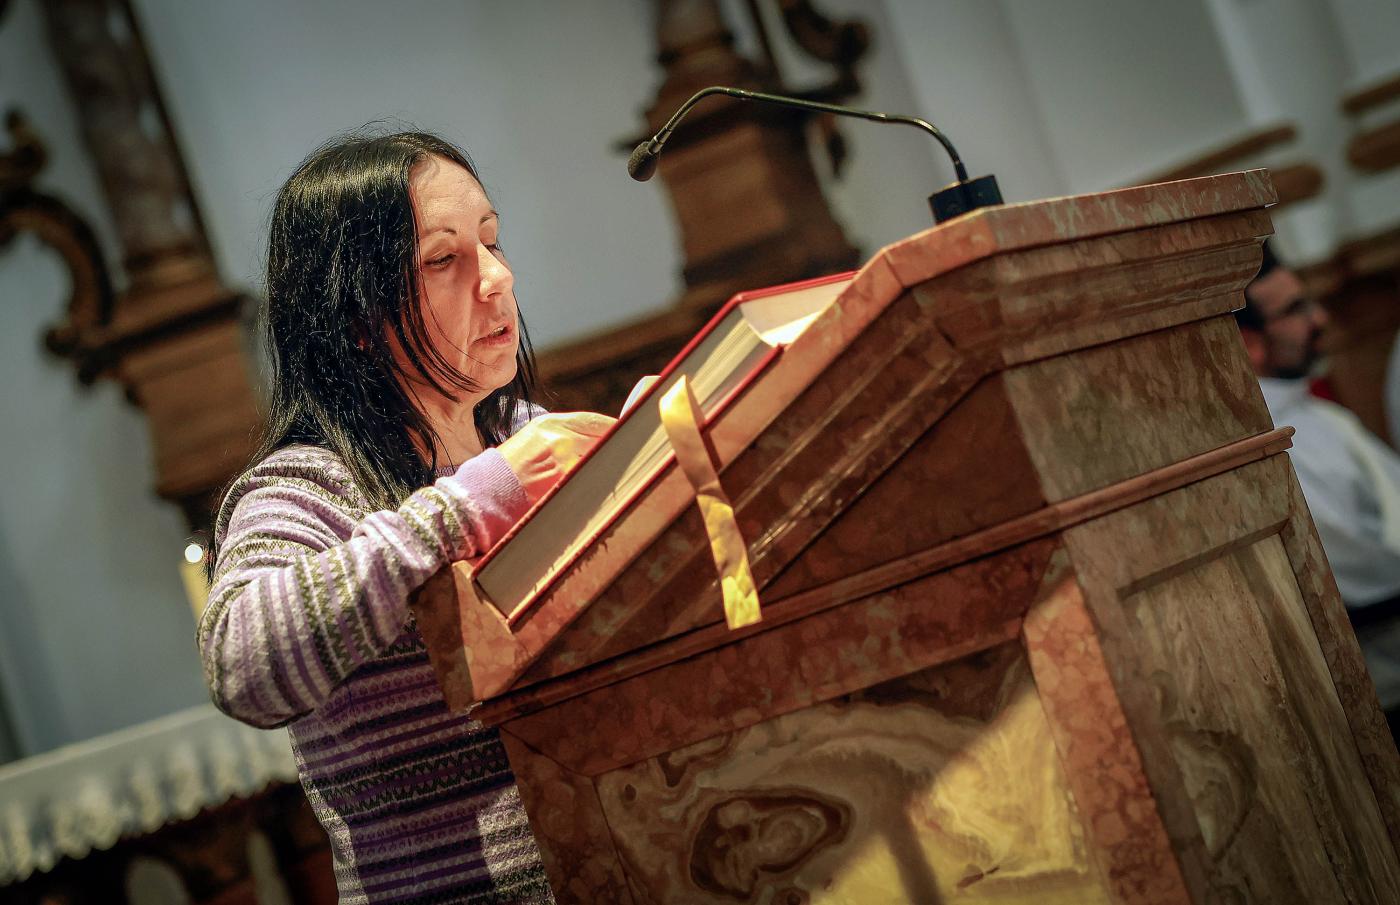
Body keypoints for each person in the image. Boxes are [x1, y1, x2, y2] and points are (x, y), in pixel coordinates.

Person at [200, 131, 614, 903]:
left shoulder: (525, 435)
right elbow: (242, 667)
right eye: (442, 259)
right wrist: (472, 502)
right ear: (356, 316)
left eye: (491, 240)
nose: (497, 277)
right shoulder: (306, 488)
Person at [1238, 241, 1400, 727]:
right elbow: (1355, 568)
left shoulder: (1313, 411)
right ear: (1250, 342)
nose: (1321, 318)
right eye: (1295, 310)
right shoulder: (1271, 442)